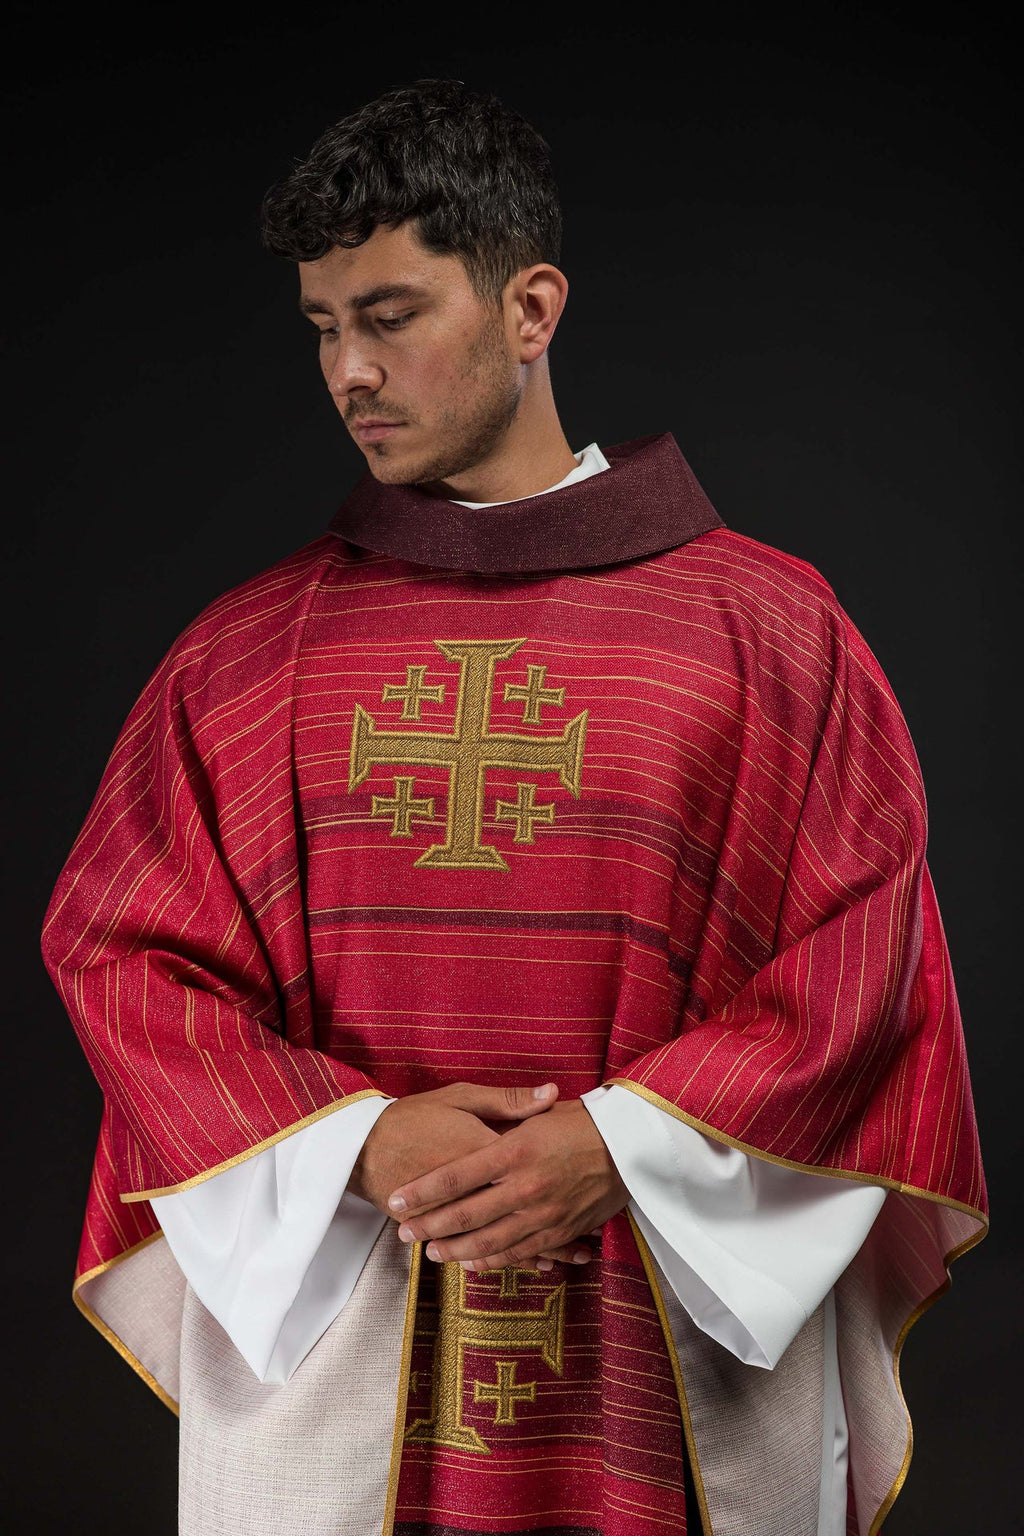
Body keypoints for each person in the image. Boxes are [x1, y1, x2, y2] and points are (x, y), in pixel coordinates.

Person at [42, 79, 986, 1536]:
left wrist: (624, 1147)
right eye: (321, 326)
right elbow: (123, 956)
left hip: (672, 1338)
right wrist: (357, 1140)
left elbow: (864, 958)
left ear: (531, 305)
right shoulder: (241, 656)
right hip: (352, 1342)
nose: (347, 368)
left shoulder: (770, 631)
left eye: (391, 315)